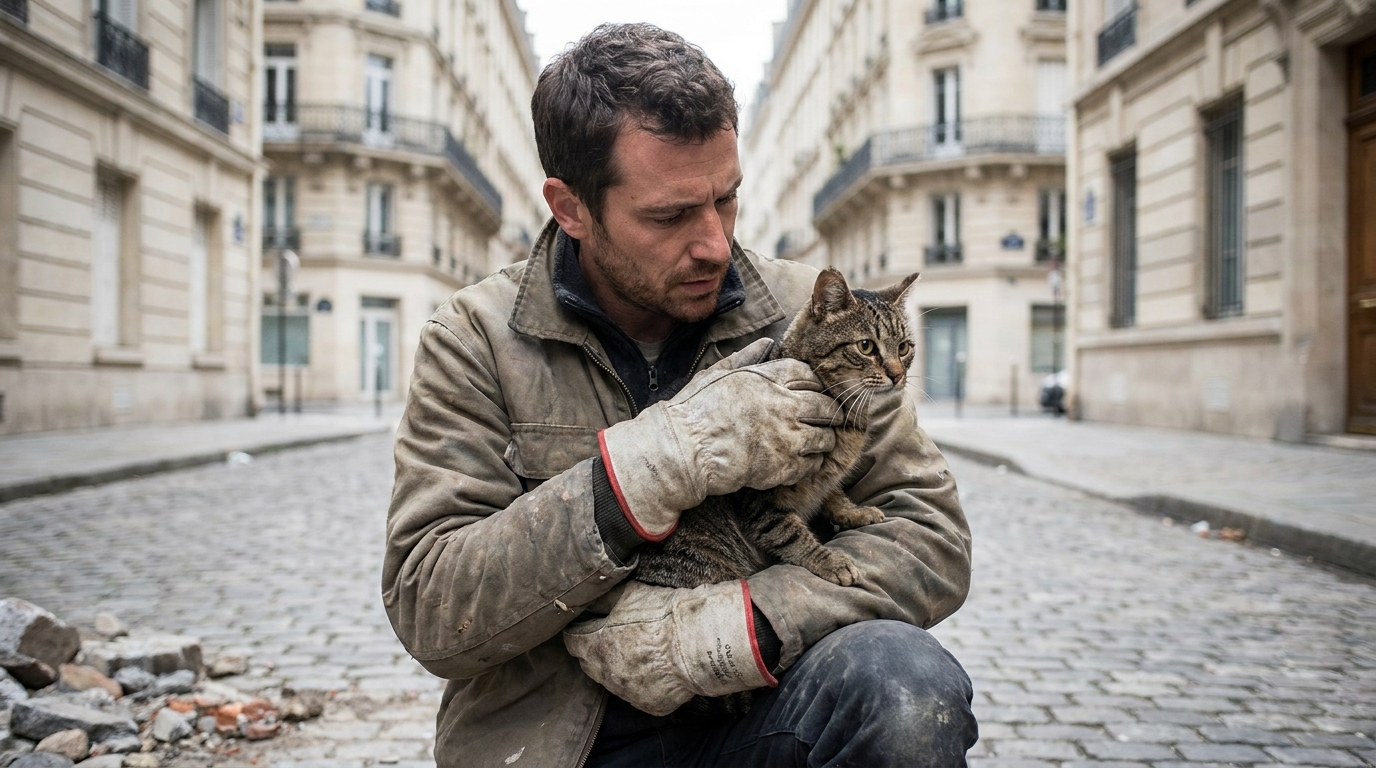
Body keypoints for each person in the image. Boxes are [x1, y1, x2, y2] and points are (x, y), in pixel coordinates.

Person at [382, 22, 978, 768]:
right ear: (570, 208)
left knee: (905, 684)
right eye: (669, 215)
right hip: (564, 743)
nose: (714, 244)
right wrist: (645, 470)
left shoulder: (809, 313)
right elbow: (431, 606)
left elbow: (931, 537)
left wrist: (746, 626)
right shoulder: (475, 337)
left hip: (773, 710)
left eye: (725, 200)